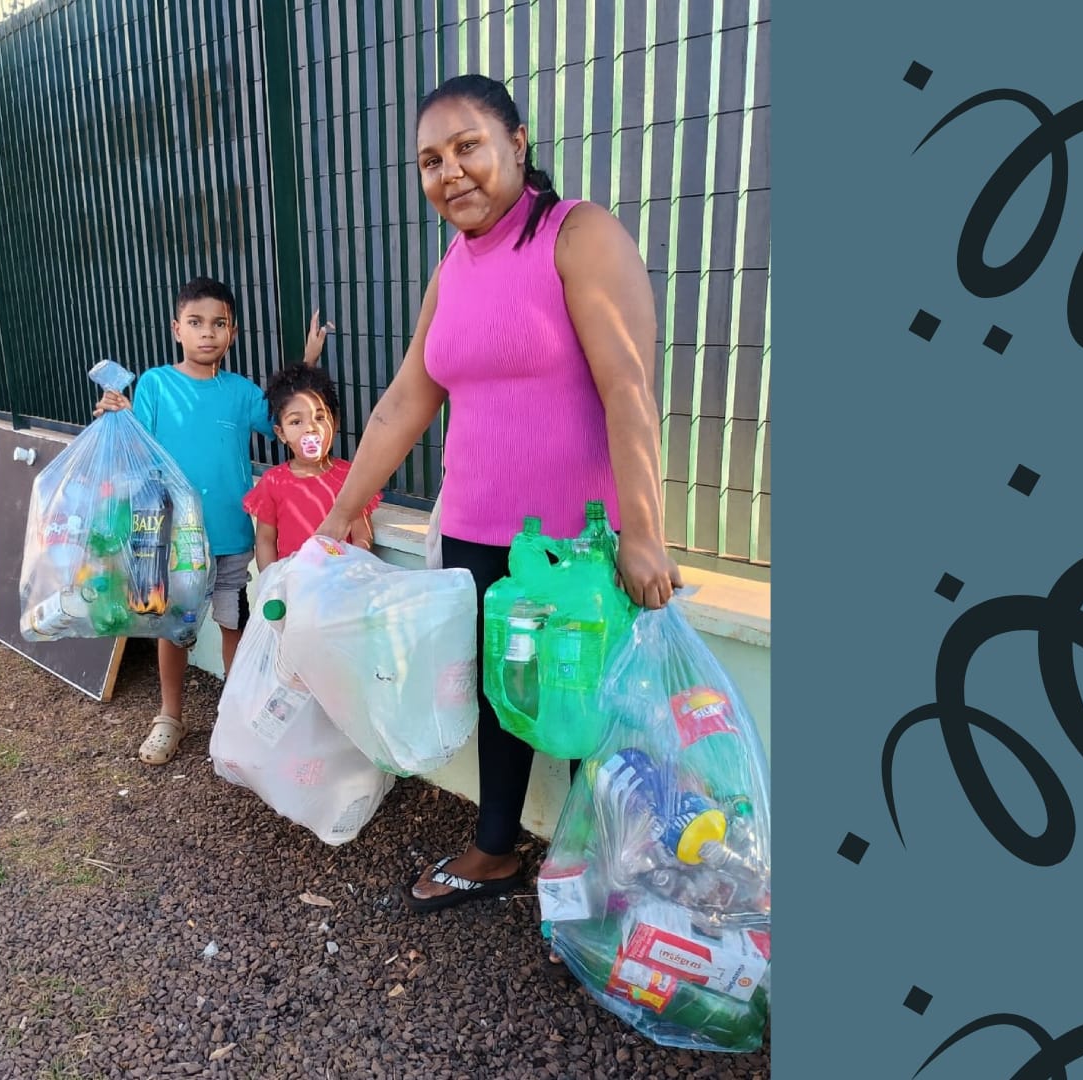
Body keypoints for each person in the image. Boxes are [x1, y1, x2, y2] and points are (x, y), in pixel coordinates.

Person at [314, 75, 684, 916]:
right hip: (480, 533)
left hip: (574, 546)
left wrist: (645, 532)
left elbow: (628, 386)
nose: (451, 173)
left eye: (468, 146)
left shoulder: (576, 234)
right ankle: (495, 849)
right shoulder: (452, 267)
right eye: (430, 161)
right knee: (503, 692)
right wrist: (342, 512)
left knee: (589, 710)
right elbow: (406, 398)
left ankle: (619, 879)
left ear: (518, 142)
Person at [95, 276, 329, 765]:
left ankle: (234, 715)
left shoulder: (241, 392)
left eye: (218, 324)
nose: (208, 334)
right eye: (196, 323)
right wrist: (116, 413)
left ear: (233, 332)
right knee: (173, 630)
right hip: (174, 541)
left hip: (233, 538)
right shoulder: (156, 384)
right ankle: (170, 718)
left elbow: (284, 418)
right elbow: (136, 445)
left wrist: (306, 366)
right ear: (176, 328)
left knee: (233, 627)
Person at [243, 364, 380, 571]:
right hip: (294, 585)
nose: (310, 428)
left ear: (335, 423)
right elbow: (265, 540)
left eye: (319, 418)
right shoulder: (272, 482)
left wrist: (348, 566)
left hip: (341, 584)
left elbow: (364, 535)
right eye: (296, 422)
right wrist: (270, 585)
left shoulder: (351, 477)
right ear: (281, 433)